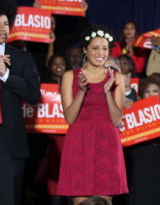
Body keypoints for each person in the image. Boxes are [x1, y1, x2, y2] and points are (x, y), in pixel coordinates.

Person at [57, 24, 128, 205]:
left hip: (107, 143)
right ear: (85, 50)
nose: (100, 52)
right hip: (79, 142)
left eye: (105, 48)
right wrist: (81, 90)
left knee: (104, 200)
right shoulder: (70, 76)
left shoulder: (116, 77)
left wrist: (107, 93)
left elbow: (117, 119)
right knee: (81, 200)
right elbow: (70, 118)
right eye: (95, 48)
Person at [0, 0, 41, 204]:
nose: (3, 29)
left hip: (9, 144)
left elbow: (34, 95)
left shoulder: (22, 57)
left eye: (6, 24)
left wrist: (7, 75)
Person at [123, 75, 160, 205]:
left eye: (155, 91)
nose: (151, 94)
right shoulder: (133, 111)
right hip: (139, 163)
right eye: (147, 91)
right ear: (142, 95)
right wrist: (127, 107)